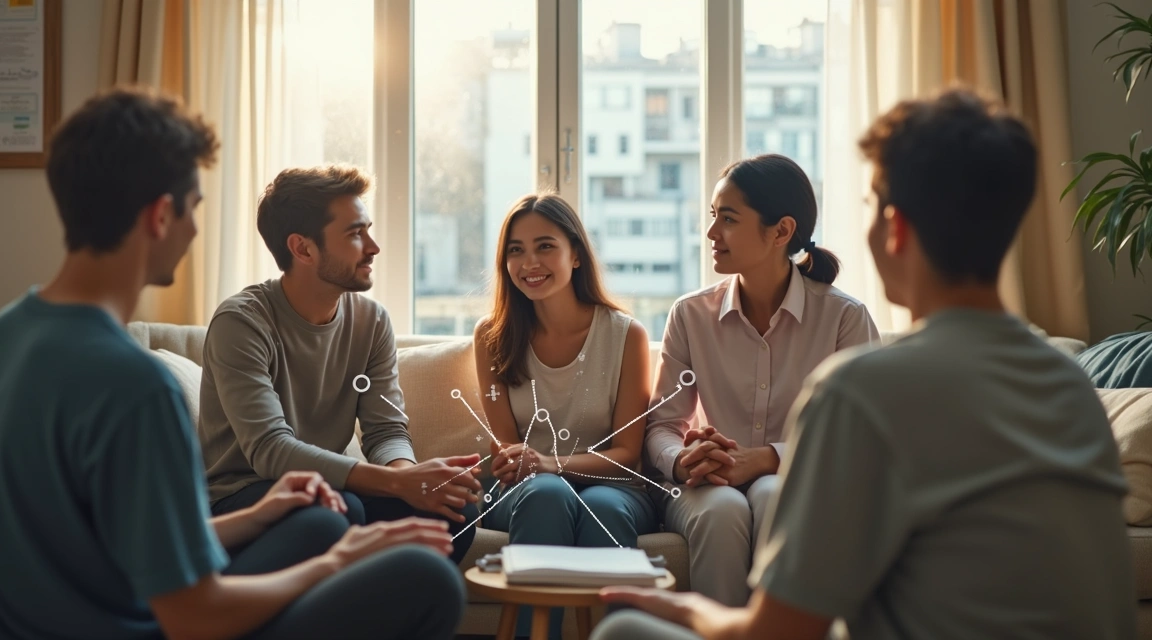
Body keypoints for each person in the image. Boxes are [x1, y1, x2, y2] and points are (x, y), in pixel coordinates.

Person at [592, 88, 1136, 640]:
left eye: (873, 205)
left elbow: (778, 632)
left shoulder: (859, 389)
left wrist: (685, 612)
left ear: (895, 228)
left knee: (623, 631)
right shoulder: (1070, 386)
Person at [0, 87, 464, 640]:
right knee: (422, 577)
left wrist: (260, 517)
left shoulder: (3, 335)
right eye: (194, 209)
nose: (195, 231)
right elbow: (193, 616)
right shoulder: (135, 387)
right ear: (160, 215)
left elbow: (110, 547)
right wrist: (338, 559)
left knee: (402, 534)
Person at [198, 164, 483, 565]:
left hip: (331, 493)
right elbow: (270, 451)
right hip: (243, 497)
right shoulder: (242, 322)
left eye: (367, 229)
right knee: (339, 512)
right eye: (354, 234)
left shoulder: (372, 320)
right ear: (303, 248)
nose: (373, 246)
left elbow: (385, 430)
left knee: (453, 513)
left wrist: (414, 479)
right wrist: (397, 482)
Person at [644, 154, 879, 606]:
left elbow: (860, 439)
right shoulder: (690, 315)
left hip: (798, 480)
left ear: (781, 231)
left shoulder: (843, 318)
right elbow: (661, 426)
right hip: (706, 488)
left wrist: (769, 458)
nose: (711, 233)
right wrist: (683, 459)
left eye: (728, 219)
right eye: (713, 216)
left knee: (775, 495)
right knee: (721, 509)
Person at [473, 192, 655, 639]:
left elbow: (627, 453)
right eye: (516, 250)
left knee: (603, 508)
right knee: (548, 494)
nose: (529, 262)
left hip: (613, 486)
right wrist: (532, 467)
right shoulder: (492, 337)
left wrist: (550, 462)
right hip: (526, 489)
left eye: (545, 246)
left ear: (576, 254)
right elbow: (507, 448)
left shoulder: (626, 335)